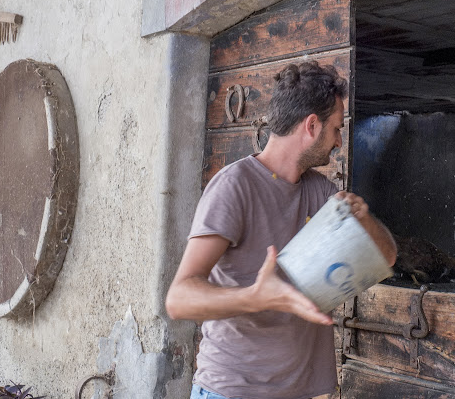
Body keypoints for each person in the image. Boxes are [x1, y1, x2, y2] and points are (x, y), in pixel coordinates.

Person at [166, 60, 398, 399]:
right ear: (311, 125)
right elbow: (178, 300)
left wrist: (363, 219)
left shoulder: (321, 192)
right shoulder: (234, 186)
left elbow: (387, 255)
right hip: (232, 391)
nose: (338, 141)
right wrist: (253, 298)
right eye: (335, 128)